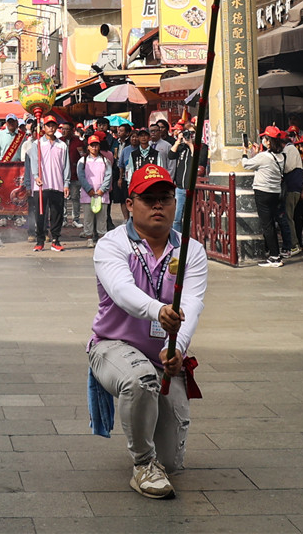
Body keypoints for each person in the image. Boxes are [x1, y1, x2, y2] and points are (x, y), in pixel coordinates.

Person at [87, 161, 206, 501]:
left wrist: (177, 347)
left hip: (162, 353)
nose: (157, 206)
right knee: (140, 379)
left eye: (165, 198)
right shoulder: (112, 245)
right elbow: (122, 291)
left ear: (175, 203)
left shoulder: (191, 251)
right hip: (113, 346)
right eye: (148, 198)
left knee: (171, 462)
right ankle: (142, 465)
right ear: (130, 204)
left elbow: (192, 303)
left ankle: (154, 458)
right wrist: (158, 310)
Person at [241, 129, 289, 268]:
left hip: (263, 192)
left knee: (267, 225)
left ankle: (275, 257)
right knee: (271, 223)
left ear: (268, 142)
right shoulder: (282, 156)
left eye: (265, 139)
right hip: (275, 192)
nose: (263, 141)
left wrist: (244, 152)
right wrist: (257, 154)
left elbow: (246, 164)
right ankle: (275, 253)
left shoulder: (264, 156)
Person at [24, 116, 71, 252]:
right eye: (48, 125)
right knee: (40, 215)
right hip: (41, 185)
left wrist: (66, 183)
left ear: (56, 127)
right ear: (43, 127)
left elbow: (66, 165)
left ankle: (56, 240)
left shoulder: (62, 145)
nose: (51, 128)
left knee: (57, 214)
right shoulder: (37, 144)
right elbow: (33, 161)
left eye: (53, 125)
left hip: (57, 184)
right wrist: (35, 176)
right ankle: (40, 241)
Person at [77, 133, 114, 243]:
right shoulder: (82, 161)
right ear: (88, 147)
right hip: (87, 194)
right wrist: (89, 189)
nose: (94, 148)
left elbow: (108, 176)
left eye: (96, 145)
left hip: (102, 194)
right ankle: (89, 237)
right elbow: (81, 176)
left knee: (102, 218)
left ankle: (101, 239)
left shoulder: (105, 161)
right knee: (88, 218)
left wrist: (102, 189)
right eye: (92, 145)